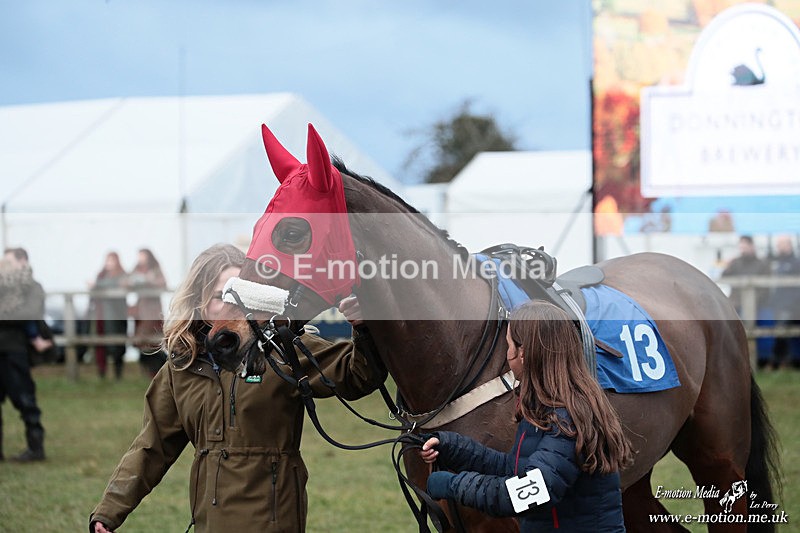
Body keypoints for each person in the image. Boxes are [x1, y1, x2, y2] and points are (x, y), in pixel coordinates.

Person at [89, 243, 387, 532]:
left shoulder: (283, 348)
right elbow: (151, 447)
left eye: (241, 296)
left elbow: (358, 377)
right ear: (199, 301)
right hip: (210, 521)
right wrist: (109, 512)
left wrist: (363, 329)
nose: (233, 307)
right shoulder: (181, 366)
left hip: (274, 519)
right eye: (222, 296)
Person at [420, 300, 633, 532]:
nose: (507, 354)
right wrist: (453, 447)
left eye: (509, 345)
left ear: (523, 353)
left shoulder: (567, 417)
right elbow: (516, 468)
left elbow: (532, 493)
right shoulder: (551, 406)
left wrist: (454, 485)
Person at [0, 247, 52, 462]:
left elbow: (29, 313)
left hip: (15, 351)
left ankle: (35, 448)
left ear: (22, 261)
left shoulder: (32, 286)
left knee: (25, 400)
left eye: (9, 261)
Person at [128, 248, 167, 376]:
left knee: (153, 340)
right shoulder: (136, 269)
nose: (141, 259)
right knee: (141, 341)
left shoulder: (155, 269)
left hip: (153, 309)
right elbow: (127, 282)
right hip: (141, 309)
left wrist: (150, 280)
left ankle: (158, 370)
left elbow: (163, 284)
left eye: (143, 256)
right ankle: (149, 371)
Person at [89, 252, 129, 380]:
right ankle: (102, 373)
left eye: (112, 260)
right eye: (108, 260)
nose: (109, 263)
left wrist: (99, 285)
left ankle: (118, 374)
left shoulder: (122, 275)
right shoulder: (101, 275)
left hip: (117, 314)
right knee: (101, 345)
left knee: (118, 345)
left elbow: (118, 284)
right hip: (102, 315)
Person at [767, 235, 800, 368]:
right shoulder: (776, 263)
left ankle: (781, 361)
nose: (779, 247)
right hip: (779, 304)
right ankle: (781, 361)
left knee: (782, 332)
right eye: (778, 244)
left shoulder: (796, 263)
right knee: (780, 332)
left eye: (782, 244)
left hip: (791, 304)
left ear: (789, 245)